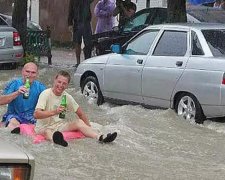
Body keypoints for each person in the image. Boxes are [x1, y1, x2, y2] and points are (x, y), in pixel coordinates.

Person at [33, 70, 117, 147]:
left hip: (59, 126)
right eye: (59, 82)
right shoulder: (45, 94)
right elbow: (36, 114)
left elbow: (80, 113)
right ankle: (56, 141)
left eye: (64, 83)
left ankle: (100, 138)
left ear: (67, 85)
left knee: (79, 122)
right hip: (43, 127)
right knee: (47, 131)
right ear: (54, 80)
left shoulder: (67, 97)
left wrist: (89, 127)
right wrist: (55, 112)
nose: (61, 85)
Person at [1, 62, 46, 132]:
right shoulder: (14, 84)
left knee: (37, 128)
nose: (30, 75)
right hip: (14, 115)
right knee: (13, 123)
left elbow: (47, 105)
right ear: (22, 72)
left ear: (37, 74)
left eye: (33, 72)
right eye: (27, 71)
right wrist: (17, 93)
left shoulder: (40, 87)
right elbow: (1, 101)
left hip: (31, 117)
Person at [68, 0, 94, 67]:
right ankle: (78, 62)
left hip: (86, 23)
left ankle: (87, 61)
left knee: (88, 43)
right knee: (77, 43)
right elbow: (70, 10)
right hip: (77, 22)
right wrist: (70, 23)